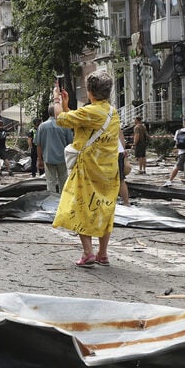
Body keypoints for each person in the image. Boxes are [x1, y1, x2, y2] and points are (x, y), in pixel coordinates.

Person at [52, 70, 121, 268]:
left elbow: (62, 120)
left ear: (90, 90)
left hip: (88, 169)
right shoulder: (111, 111)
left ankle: (88, 252)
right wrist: (66, 105)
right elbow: (79, 122)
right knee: (105, 209)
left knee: (82, 207)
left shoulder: (91, 111)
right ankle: (103, 253)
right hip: (108, 170)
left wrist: (56, 100)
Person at [34, 101, 73, 194]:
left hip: (48, 158)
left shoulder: (42, 127)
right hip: (62, 158)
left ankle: (51, 201)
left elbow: (38, 145)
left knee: (50, 182)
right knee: (63, 181)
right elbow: (71, 143)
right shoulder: (65, 125)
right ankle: (62, 202)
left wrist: (39, 159)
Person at [164, 119, 185, 186]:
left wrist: (176, 150)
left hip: (182, 151)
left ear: (184, 124)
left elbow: (176, 142)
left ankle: (170, 180)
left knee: (177, 166)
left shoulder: (178, 131)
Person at [117, 130, 131, 206]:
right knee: (120, 179)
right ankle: (126, 203)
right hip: (118, 151)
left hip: (105, 152)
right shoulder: (114, 119)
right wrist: (122, 149)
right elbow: (121, 134)